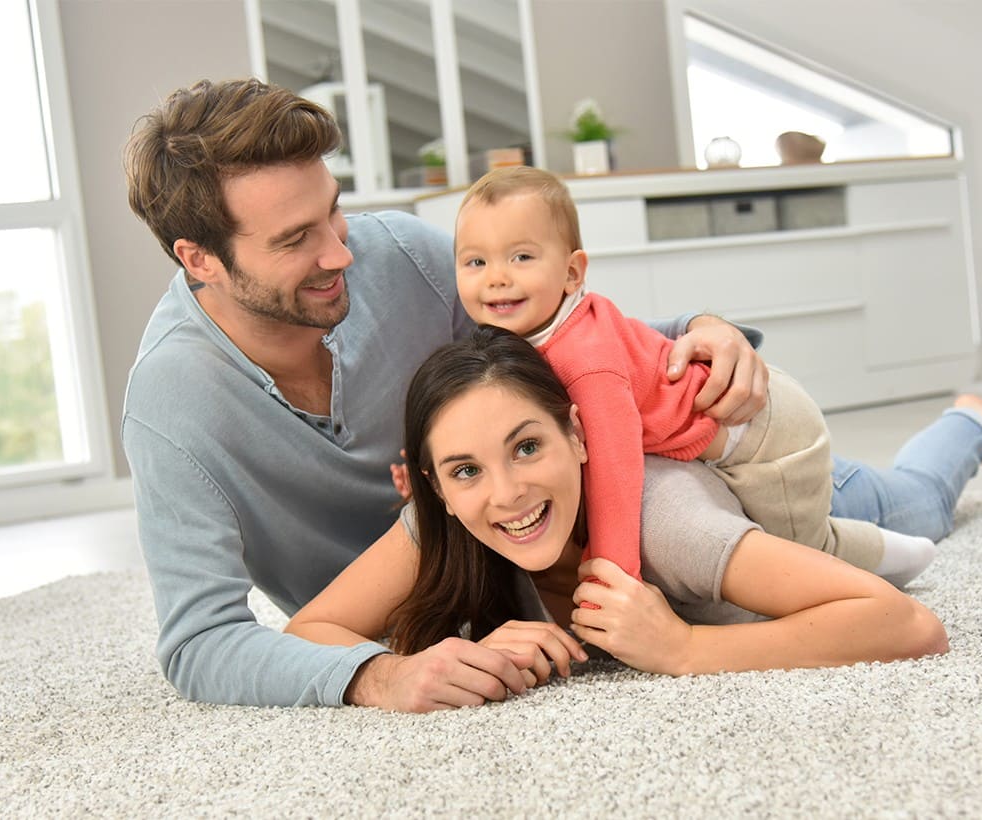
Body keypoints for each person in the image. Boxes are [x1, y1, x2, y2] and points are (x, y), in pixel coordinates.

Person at [120, 78, 769, 709]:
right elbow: (200, 642)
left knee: (803, 512)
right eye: (295, 239)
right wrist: (380, 675)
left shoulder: (402, 257)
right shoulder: (172, 403)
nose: (340, 254)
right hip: (420, 599)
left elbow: (565, 337)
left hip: (540, 546)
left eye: (333, 211)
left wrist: (697, 328)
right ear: (199, 259)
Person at [285, 326, 952, 713]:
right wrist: (418, 666)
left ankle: (972, 421)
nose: (507, 494)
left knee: (923, 501)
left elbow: (909, 622)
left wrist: (687, 651)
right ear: (435, 486)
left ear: (577, 436)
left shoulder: (670, 525)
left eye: (526, 447)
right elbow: (306, 631)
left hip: (790, 492)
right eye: (466, 471)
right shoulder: (449, 522)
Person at [451, 166, 938, 588]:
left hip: (767, 433)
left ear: (573, 273)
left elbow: (615, 470)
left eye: (521, 257)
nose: (496, 277)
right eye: (476, 262)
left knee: (803, 554)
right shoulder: (534, 329)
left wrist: (614, 571)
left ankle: (906, 556)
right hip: (716, 435)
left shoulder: (585, 360)